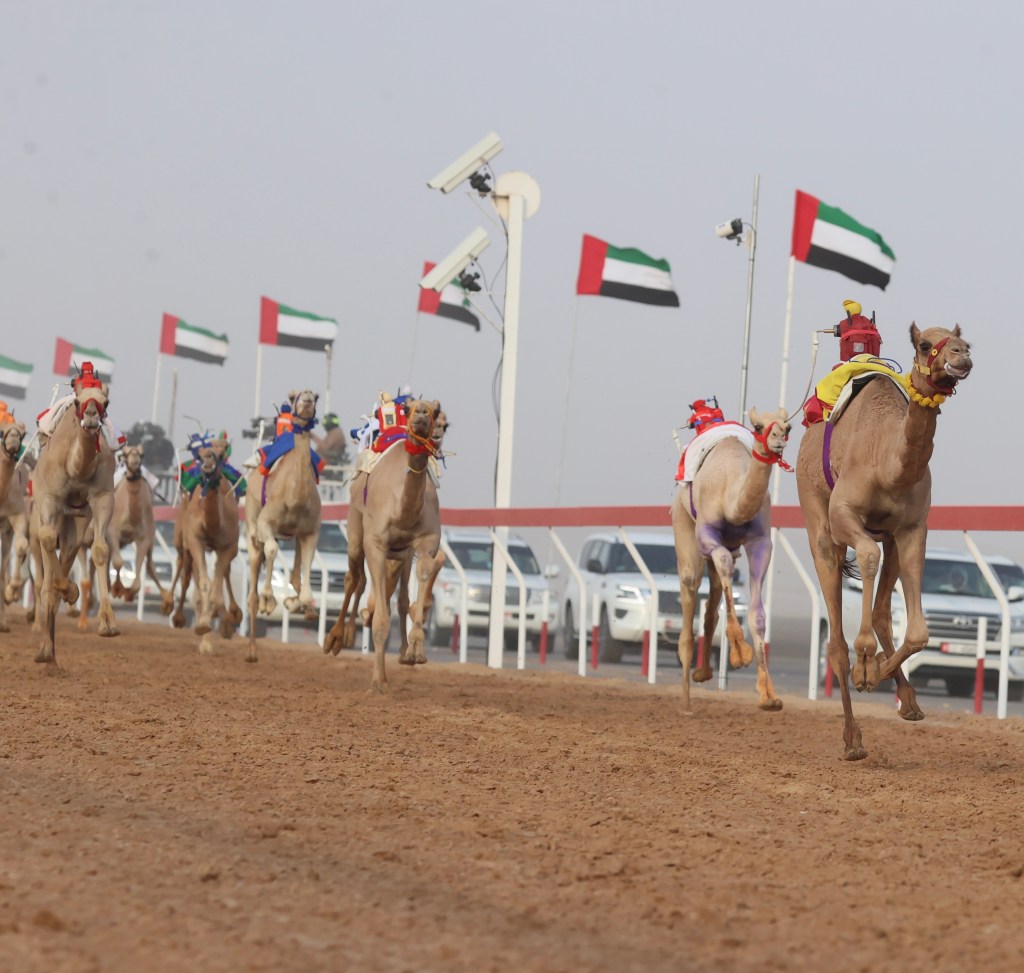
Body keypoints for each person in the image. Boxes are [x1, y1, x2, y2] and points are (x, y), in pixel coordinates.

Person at [36, 362, 126, 452]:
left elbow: (77, 389)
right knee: (106, 420)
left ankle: (50, 427)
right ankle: (115, 440)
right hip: (86, 398)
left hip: (79, 397)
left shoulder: (80, 380)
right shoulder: (96, 381)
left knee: (60, 406)